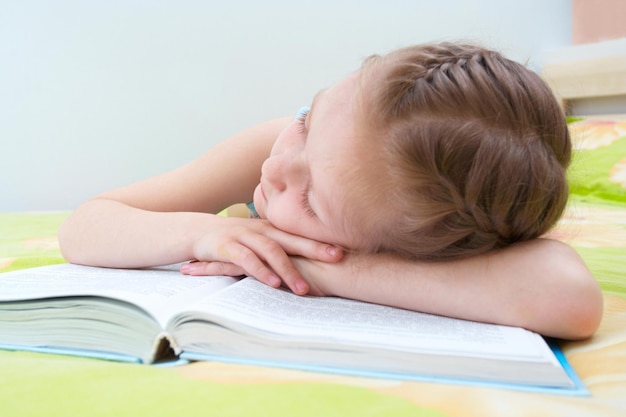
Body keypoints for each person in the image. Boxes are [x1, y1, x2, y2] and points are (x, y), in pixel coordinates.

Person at [58, 42, 603, 340]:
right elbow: (86, 227)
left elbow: (568, 298)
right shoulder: (273, 145)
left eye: (312, 202)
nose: (278, 169)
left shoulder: (434, 215)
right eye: (307, 120)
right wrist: (205, 231)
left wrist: (310, 267)